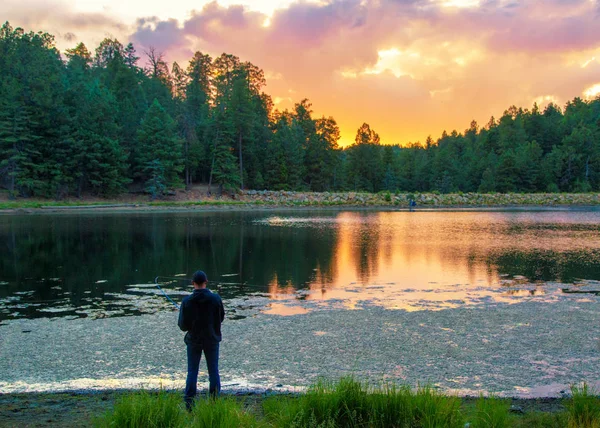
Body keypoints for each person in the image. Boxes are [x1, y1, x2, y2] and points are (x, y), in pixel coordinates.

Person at [178, 270, 225, 410]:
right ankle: (214, 403)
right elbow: (220, 318)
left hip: (194, 341)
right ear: (206, 282)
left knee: (192, 372)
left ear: (193, 283)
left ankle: (189, 404)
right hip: (212, 340)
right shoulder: (216, 299)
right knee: (213, 372)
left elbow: (182, 326)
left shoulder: (186, 301)